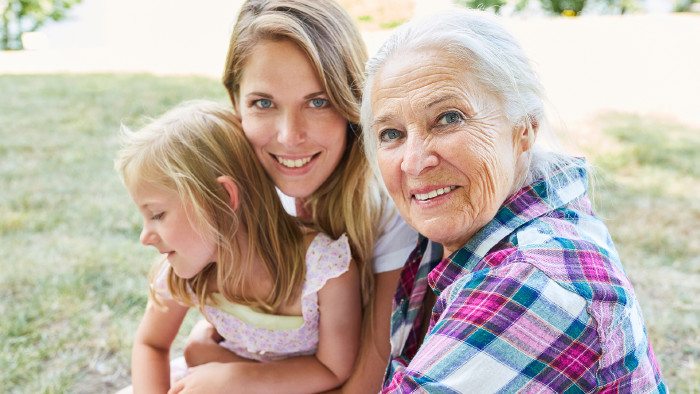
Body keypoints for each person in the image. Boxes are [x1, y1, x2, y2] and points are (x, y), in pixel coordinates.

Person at [361, 9, 667, 393]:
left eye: (448, 117)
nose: (414, 161)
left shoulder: (533, 281)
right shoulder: (515, 211)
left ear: (524, 127)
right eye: (391, 133)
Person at [176, 0, 418, 392]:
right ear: (235, 103)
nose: (290, 136)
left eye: (318, 101)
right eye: (264, 103)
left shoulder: (387, 206)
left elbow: (375, 362)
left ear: (352, 102)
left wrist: (239, 374)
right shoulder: (243, 191)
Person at [115, 100, 362, 393]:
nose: (145, 236)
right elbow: (151, 344)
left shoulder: (325, 271)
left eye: (157, 215)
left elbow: (333, 369)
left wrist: (235, 379)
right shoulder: (181, 274)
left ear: (221, 197)